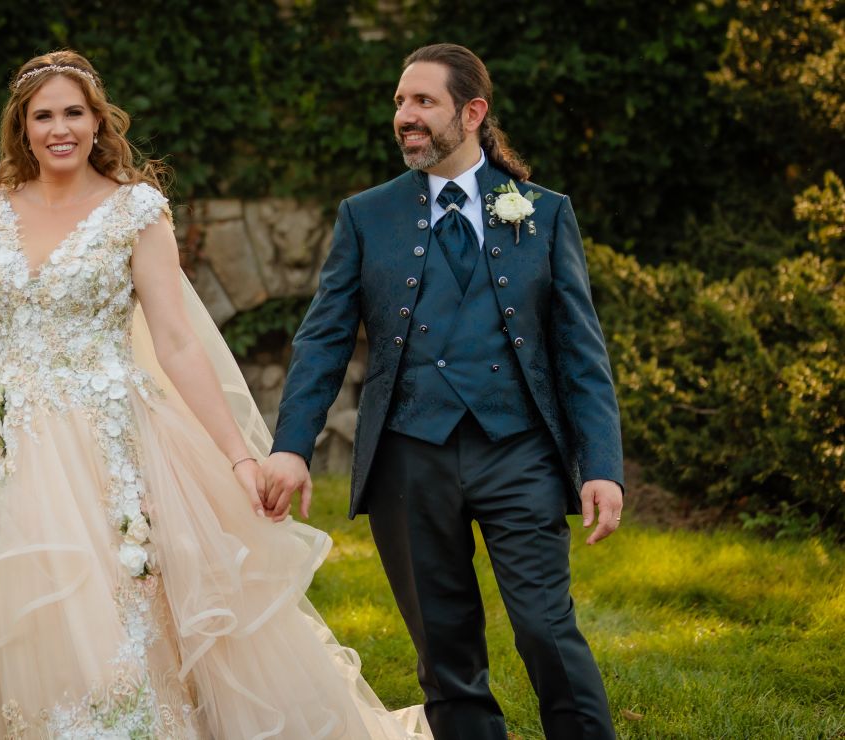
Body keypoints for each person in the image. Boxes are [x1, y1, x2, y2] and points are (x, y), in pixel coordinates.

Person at [0, 50, 430, 739]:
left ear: (99, 123)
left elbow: (179, 343)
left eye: (74, 112)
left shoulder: (135, 212)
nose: (59, 128)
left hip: (106, 446)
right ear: (22, 126)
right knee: (8, 608)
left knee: (108, 609)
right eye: (44, 115)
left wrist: (238, 456)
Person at [261, 43, 624, 740]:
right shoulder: (367, 216)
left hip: (518, 452)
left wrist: (602, 466)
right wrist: (292, 447)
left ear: (473, 112)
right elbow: (324, 339)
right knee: (446, 655)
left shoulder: (543, 215)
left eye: (422, 101)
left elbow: (581, 351)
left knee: (547, 631)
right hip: (410, 456)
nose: (404, 116)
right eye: (400, 102)